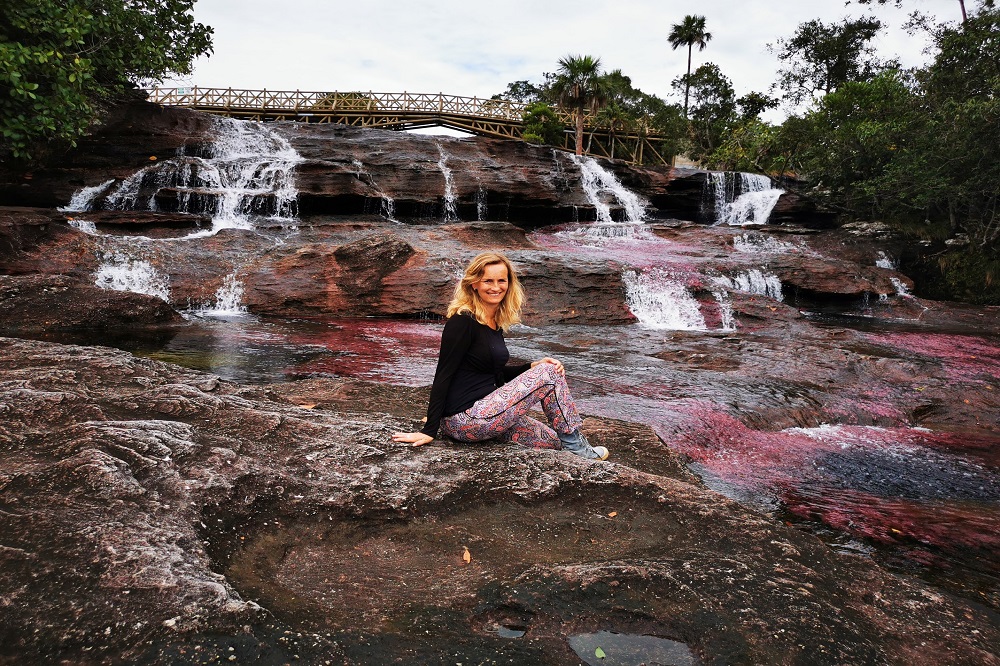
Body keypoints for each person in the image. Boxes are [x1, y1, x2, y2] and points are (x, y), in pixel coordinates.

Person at [392, 251, 609, 460]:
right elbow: (443, 374)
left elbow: (493, 372)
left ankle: (572, 448)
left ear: (509, 283)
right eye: (488, 281)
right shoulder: (462, 322)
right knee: (550, 373)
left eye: (501, 281)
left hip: (488, 414)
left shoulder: (493, 323)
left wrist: (533, 365)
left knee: (553, 441)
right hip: (467, 419)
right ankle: (579, 448)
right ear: (474, 284)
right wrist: (430, 428)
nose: (496, 287)